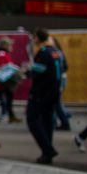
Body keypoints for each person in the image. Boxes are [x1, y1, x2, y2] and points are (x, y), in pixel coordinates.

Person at [26, 27, 62, 165]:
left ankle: (48, 150)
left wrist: (28, 70)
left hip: (41, 93)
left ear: (37, 38)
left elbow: (37, 72)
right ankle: (47, 154)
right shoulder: (55, 52)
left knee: (32, 120)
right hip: (53, 92)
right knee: (47, 123)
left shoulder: (43, 53)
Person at [0, 37, 22, 124]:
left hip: (3, 81)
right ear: (4, 45)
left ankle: (9, 116)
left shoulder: (2, 54)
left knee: (2, 99)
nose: (11, 47)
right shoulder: (2, 54)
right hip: (3, 81)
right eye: (10, 45)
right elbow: (2, 68)